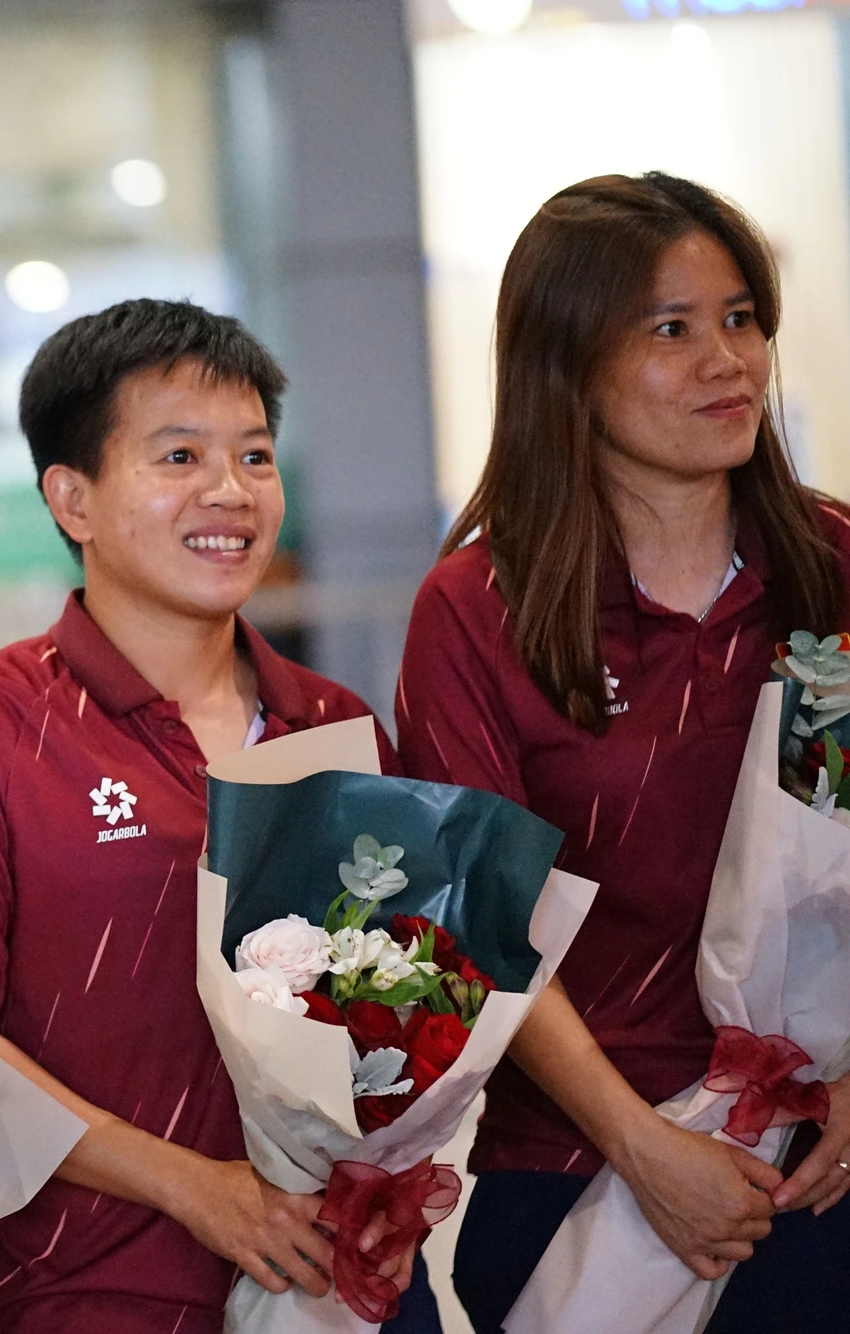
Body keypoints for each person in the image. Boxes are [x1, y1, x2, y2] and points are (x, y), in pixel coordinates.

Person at [0, 298, 434, 1333]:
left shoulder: (334, 723)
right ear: (72, 499)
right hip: (95, 1296)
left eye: (254, 456)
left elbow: (409, 999)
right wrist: (191, 1186)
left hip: (345, 1289)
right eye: (179, 456)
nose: (229, 490)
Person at [394, 172, 850, 1332]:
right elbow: (474, 925)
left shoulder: (830, 569)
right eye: (669, 329)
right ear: (566, 364)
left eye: (739, 318)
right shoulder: (479, 609)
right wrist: (642, 1144)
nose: (726, 360)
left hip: (817, 1161)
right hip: (576, 1174)